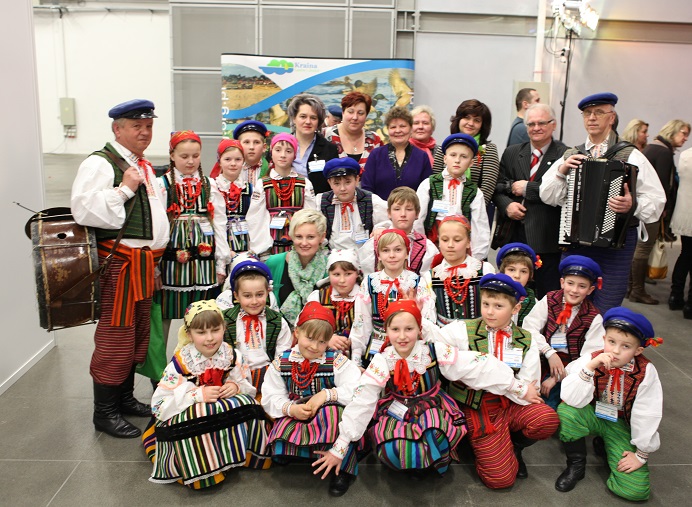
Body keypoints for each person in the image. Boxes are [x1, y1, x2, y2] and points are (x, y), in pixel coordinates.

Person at [313, 300, 540, 483]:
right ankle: (409, 465)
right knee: (394, 448)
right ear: (386, 331)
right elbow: (362, 400)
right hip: (397, 408)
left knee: (434, 430)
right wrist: (340, 447)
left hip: (432, 405)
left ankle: (433, 464)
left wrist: (518, 387)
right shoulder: (382, 360)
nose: (402, 336)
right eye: (395, 329)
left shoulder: (434, 350)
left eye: (409, 329)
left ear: (419, 329)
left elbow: (477, 365)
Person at [71, 99, 169, 438]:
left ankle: (124, 398)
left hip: (143, 265)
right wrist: (125, 188)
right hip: (120, 266)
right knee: (115, 337)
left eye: (148, 126)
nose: (144, 132)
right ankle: (104, 412)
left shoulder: (141, 164)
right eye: (136, 126)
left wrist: (155, 260)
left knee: (136, 335)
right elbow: (83, 209)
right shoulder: (100, 163)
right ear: (117, 128)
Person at [540, 92, 666, 312]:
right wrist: (561, 171)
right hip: (575, 242)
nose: (592, 117)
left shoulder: (630, 155)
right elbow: (547, 195)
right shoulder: (572, 154)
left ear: (612, 117)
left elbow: (657, 201)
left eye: (599, 112)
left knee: (607, 304)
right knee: (570, 303)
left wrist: (633, 205)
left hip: (616, 247)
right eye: (587, 113)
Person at [436, 273, 559, 487]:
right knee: (500, 480)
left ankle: (512, 446)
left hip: (511, 405)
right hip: (478, 406)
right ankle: (479, 444)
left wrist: (480, 377)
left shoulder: (526, 339)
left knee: (546, 418)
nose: (490, 311)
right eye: (486, 304)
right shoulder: (462, 330)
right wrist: (512, 385)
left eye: (498, 306)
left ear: (515, 309)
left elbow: (530, 388)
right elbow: (441, 355)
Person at [145, 300, 269, 488]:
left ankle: (242, 453)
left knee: (250, 405)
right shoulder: (181, 363)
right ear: (189, 334)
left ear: (224, 328)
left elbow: (248, 386)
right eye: (201, 333)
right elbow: (159, 404)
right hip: (191, 410)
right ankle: (204, 468)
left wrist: (235, 386)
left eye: (215, 330)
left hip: (221, 406)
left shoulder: (231, 355)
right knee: (201, 413)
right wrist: (196, 395)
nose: (210, 338)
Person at [555, 307, 663, 502]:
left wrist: (641, 455)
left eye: (626, 346)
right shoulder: (592, 358)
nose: (615, 351)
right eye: (611, 342)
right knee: (567, 411)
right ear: (604, 339)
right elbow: (571, 398)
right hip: (593, 414)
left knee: (635, 490)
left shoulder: (645, 372)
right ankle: (576, 465)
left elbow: (647, 413)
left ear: (638, 350)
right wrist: (590, 367)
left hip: (619, 423)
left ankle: (606, 443)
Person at [261, 302, 364, 496]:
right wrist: (291, 409)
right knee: (282, 431)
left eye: (322, 342)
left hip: (327, 418)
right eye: (309, 338)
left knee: (332, 414)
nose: (315, 347)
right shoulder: (282, 363)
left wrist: (326, 395)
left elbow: (357, 389)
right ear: (297, 332)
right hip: (298, 412)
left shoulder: (336, 362)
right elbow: (271, 395)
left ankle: (342, 469)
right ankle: (303, 452)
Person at [157, 131, 230, 332]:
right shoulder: (163, 185)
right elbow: (157, 226)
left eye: (195, 156)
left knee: (203, 314)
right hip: (171, 260)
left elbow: (219, 223)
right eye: (184, 156)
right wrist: (155, 267)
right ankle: (161, 353)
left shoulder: (209, 184)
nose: (191, 161)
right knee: (165, 311)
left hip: (204, 261)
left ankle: (200, 350)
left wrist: (221, 262)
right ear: (172, 155)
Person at [493, 103, 568, 298]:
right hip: (514, 234)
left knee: (545, 295)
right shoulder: (512, 152)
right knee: (510, 293)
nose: (536, 128)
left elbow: (563, 194)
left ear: (554, 124)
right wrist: (507, 205)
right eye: (531, 124)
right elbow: (497, 188)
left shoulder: (565, 155)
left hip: (547, 239)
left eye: (542, 123)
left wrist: (529, 188)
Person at [521, 255, 605, 409]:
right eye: (570, 283)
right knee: (527, 392)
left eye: (582, 286)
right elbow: (529, 327)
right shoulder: (550, 300)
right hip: (542, 356)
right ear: (562, 282)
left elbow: (590, 356)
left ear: (590, 289)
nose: (574, 290)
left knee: (549, 402)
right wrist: (549, 352)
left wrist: (558, 376)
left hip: (571, 366)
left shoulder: (594, 317)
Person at [350, 229, 435, 368]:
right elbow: (361, 324)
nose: (392, 255)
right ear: (379, 255)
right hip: (377, 351)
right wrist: (356, 359)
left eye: (398, 250)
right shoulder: (370, 282)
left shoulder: (417, 282)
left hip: (410, 349)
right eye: (386, 250)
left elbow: (428, 321)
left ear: (407, 253)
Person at [631, 119, 691, 305]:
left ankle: (633, 287)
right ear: (672, 131)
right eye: (683, 133)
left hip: (641, 205)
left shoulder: (653, 148)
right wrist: (664, 209)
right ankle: (637, 290)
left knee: (640, 248)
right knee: (643, 249)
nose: (685, 138)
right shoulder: (664, 152)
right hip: (651, 208)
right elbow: (663, 186)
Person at [414, 133, 489, 259]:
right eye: (453, 155)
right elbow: (418, 219)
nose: (457, 160)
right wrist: (423, 249)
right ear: (445, 158)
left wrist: (476, 258)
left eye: (464, 156)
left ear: (471, 163)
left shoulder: (474, 192)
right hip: (432, 246)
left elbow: (480, 227)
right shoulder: (429, 184)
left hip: (461, 247)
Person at [221, 259, 292, 392]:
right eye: (247, 296)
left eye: (259, 295)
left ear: (268, 292)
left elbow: (282, 356)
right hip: (234, 378)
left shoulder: (277, 321)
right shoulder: (225, 320)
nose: (254, 301)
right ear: (236, 296)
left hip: (270, 377)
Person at [245, 132, 317, 256]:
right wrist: (261, 246)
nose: (283, 155)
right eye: (278, 150)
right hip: (270, 243)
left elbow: (311, 215)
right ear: (271, 152)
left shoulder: (304, 183)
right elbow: (256, 218)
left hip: (299, 243)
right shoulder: (263, 184)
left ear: (294, 155)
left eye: (288, 151)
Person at [434, 100, 500, 221]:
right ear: (458, 120)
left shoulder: (488, 150)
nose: (471, 123)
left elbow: (488, 186)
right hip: (442, 214)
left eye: (477, 120)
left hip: (474, 214)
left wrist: (469, 212)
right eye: (467, 118)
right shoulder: (444, 147)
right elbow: (435, 182)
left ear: (482, 125)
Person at [422, 215, 494, 324]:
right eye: (445, 240)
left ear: (468, 242)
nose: (450, 245)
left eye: (457, 240)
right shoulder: (430, 277)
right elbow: (428, 318)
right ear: (439, 242)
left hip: (479, 332)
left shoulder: (484, 270)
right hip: (443, 333)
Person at [265, 209, 329, 324]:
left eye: (310, 237)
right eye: (299, 236)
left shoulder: (330, 268)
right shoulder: (273, 263)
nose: (304, 243)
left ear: (322, 237)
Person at [359, 187, 439, 276]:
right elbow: (366, 275)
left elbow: (429, 279)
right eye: (397, 209)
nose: (403, 214)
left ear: (417, 213)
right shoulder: (374, 243)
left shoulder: (427, 247)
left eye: (409, 209)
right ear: (389, 213)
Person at [361, 106, 433, 200]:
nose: (398, 131)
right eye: (393, 127)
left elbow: (426, 192)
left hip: (412, 209)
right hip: (379, 209)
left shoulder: (422, 157)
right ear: (388, 130)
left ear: (410, 128)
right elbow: (366, 189)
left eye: (402, 126)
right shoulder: (376, 155)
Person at [316, 157, 387, 251]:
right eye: (337, 183)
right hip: (331, 255)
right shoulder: (321, 201)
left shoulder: (371, 201)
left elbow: (386, 222)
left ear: (357, 180)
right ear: (329, 183)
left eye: (348, 182)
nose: (342, 188)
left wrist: (381, 229)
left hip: (365, 256)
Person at [307, 249, 362, 358]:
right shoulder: (318, 297)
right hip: (323, 354)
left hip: (359, 355)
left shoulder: (364, 296)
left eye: (348, 274)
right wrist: (327, 339)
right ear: (329, 274)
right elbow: (306, 326)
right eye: (336, 274)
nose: (342, 280)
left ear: (357, 273)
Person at [286, 93, 339, 194]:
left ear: (319, 122)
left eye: (313, 118)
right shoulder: (280, 145)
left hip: (317, 202)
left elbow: (333, 184)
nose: (308, 121)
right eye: (303, 116)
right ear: (294, 118)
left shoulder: (329, 149)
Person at [324, 91, 383, 173]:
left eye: (360, 113)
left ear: (366, 115)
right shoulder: (326, 135)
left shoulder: (374, 139)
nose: (355, 117)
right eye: (350, 112)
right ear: (343, 113)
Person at [213, 139, 252, 257]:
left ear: (243, 161)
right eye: (227, 159)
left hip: (246, 245)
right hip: (219, 244)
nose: (233, 163)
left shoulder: (250, 189)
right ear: (219, 161)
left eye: (238, 159)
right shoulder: (213, 187)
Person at [670, 146, 692, 317]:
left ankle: (675, 296)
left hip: (685, 214)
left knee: (685, 254)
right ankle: (690, 304)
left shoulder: (685, 155)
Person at [496, 242, 541, 326]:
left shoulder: (535, 303)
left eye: (523, 271)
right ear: (502, 271)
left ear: (530, 275)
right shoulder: (492, 295)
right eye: (511, 270)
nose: (517, 275)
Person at [409, 105, 443, 172]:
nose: (420, 127)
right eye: (416, 123)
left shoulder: (441, 152)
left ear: (432, 128)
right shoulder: (401, 150)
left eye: (425, 123)